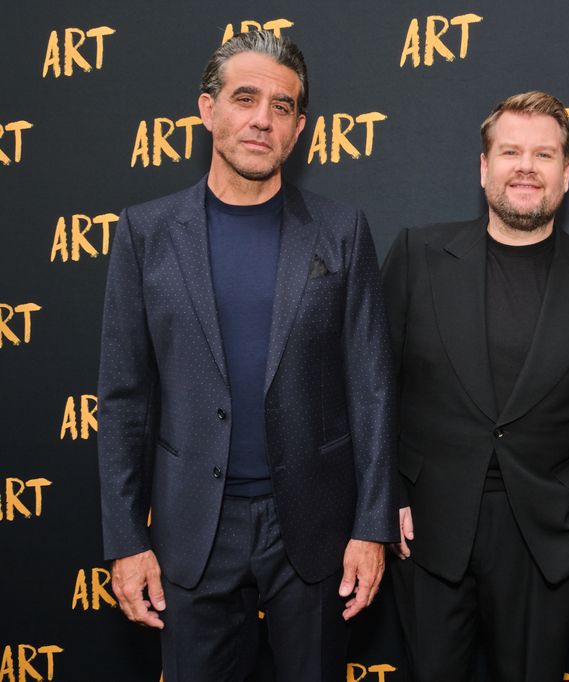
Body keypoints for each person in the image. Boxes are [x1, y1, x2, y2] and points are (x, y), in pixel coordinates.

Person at [97, 30, 397, 681]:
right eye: (245, 98)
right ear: (208, 110)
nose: (263, 119)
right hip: (191, 530)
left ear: (300, 128)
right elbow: (123, 400)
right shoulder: (146, 233)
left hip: (314, 529)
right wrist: (125, 540)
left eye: (282, 106)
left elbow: (371, 388)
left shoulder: (342, 230)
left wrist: (371, 526)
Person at [382, 91, 569, 681]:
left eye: (543, 155)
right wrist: (385, 496)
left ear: (566, 174)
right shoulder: (418, 254)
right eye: (510, 152)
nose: (526, 167)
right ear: (484, 167)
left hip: (546, 536)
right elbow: (375, 389)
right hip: (426, 529)